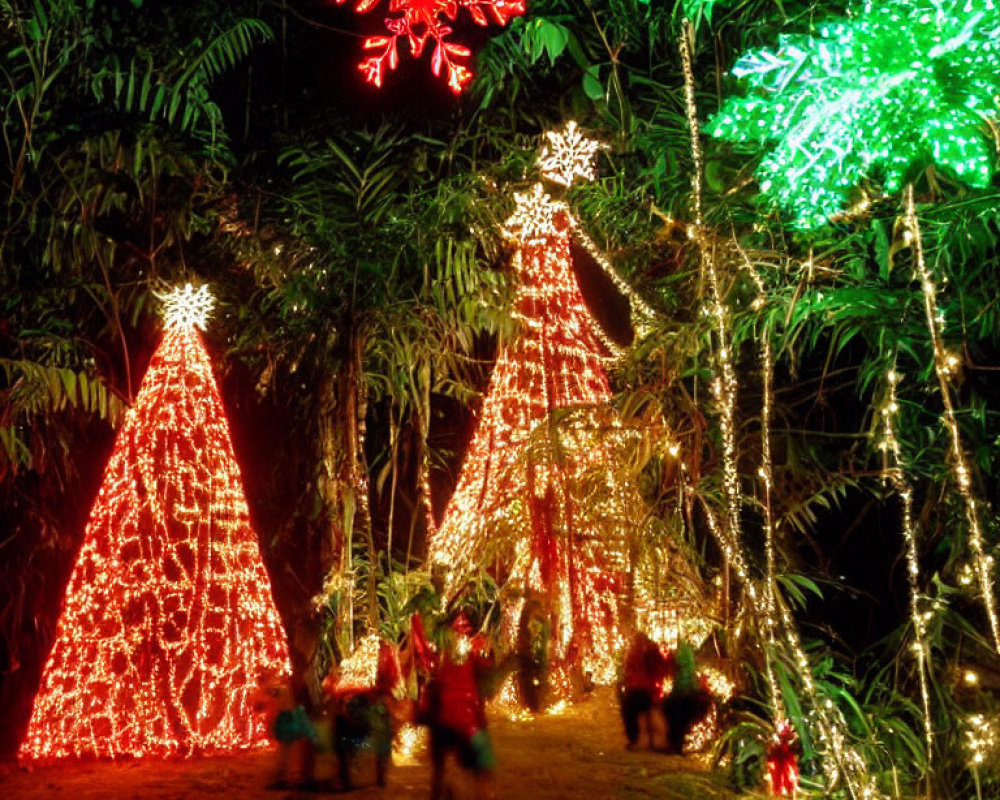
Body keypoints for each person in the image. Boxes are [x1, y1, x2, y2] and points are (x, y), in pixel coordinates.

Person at [424, 611, 496, 800]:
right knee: (483, 755)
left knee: (439, 763)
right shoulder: (469, 653)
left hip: (443, 717)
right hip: (465, 717)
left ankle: (440, 789)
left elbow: (434, 677)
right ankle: (483, 791)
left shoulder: (442, 654)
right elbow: (487, 668)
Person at [249, 670, 318, 789]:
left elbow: (259, 705)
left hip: (286, 719)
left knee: (286, 750)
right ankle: (294, 775)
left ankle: (285, 776)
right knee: (290, 749)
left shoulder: (274, 689)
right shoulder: (283, 688)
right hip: (292, 718)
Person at [660, 639, 713, 754]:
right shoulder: (690, 664)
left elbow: (682, 680)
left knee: (676, 720)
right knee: (680, 722)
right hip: (687, 695)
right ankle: (677, 745)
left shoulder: (683, 666)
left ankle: (676, 745)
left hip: (683, 696)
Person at [619, 631, 668, 750]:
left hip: (639, 688)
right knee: (650, 715)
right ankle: (657, 741)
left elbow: (629, 669)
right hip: (650, 688)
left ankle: (644, 741)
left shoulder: (636, 653)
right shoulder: (651, 651)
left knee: (640, 716)